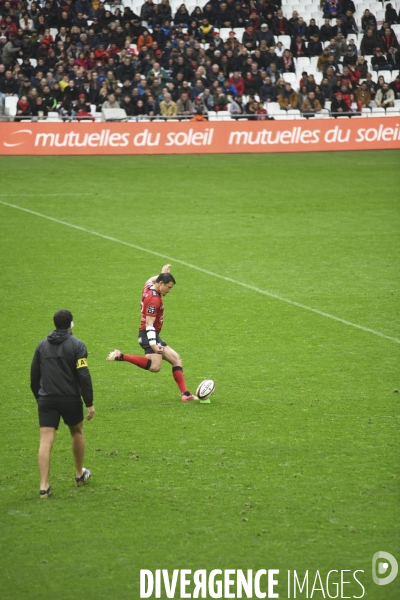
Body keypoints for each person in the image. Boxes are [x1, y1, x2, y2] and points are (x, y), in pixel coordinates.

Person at [107, 264, 198, 402]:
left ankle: (185, 394)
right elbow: (149, 324)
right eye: (168, 287)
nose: (169, 291)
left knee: (175, 359)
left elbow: (150, 279)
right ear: (161, 284)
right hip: (148, 334)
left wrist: (161, 273)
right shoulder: (154, 300)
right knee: (156, 366)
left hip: (151, 334)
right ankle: (120, 356)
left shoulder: (149, 287)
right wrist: (153, 344)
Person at [30, 310, 95, 498]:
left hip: (47, 399)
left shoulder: (41, 345)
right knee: (77, 432)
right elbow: (83, 375)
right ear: (70, 324)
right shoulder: (77, 345)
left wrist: (39, 398)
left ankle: (44, 486)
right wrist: (89, 402)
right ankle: (79, 475)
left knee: (45, 440)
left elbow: (34, 376)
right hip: (70, 399)